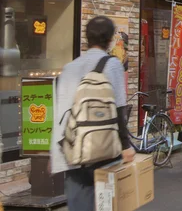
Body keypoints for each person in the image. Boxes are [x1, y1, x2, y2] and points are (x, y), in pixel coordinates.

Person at [51, 16, 135, 211]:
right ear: (110, 40)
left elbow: (61, 115)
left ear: (86, 38)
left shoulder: (69, 68)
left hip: (72, 154)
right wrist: (126, 145)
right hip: (103, 152)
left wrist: (54, 154)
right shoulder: (112, 64)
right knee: (109, 206)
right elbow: (119, 108)